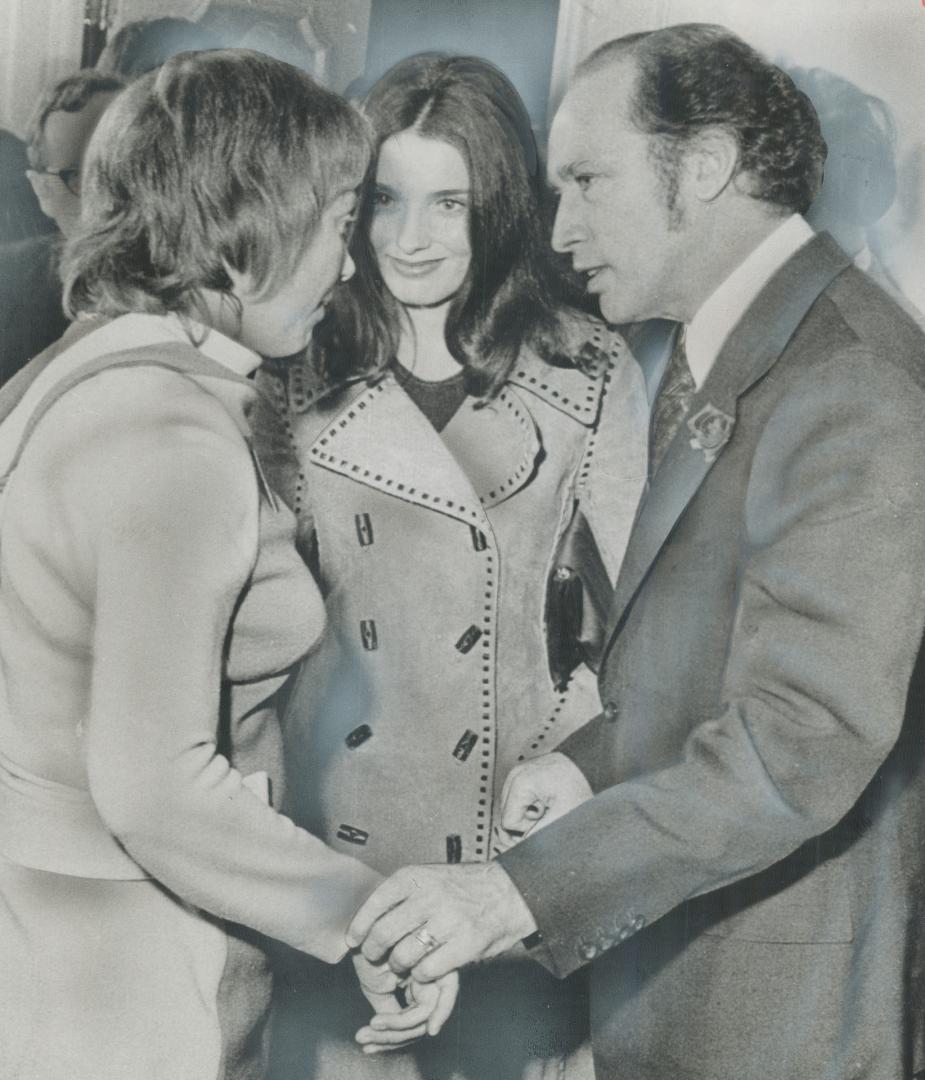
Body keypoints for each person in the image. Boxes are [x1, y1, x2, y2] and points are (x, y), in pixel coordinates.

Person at [345, 24, 925, 1080]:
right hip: (687, 974)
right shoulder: (741, 352)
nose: (559, 230)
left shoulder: (851, 381)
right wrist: (583, 771)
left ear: (699, 167)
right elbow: (699, 665)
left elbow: (801, 735)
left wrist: (514, 891)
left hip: (778, 1006)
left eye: (587, 181)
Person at [0, 49, 456, 1080]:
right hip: (139, 973)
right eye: (338, 227)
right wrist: (367, 919)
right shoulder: (175, 438)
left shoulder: (82, 367)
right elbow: (156, 788)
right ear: (245, 239)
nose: (349, 268)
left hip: (49, 935)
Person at [252, 52, 649, 1080]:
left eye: (449, 203)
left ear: (500, 205)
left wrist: (572, 748)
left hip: (507, 846)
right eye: (384, 200)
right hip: (329, 838)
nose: (409, 239)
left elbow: (647, 614)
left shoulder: (584, 366)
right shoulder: (295, 359)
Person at [0, 71, 123, 385]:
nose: (112, 198)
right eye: (80, 177)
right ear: (42, 191)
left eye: (123, 169)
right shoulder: (8, 287)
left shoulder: (204, 283)